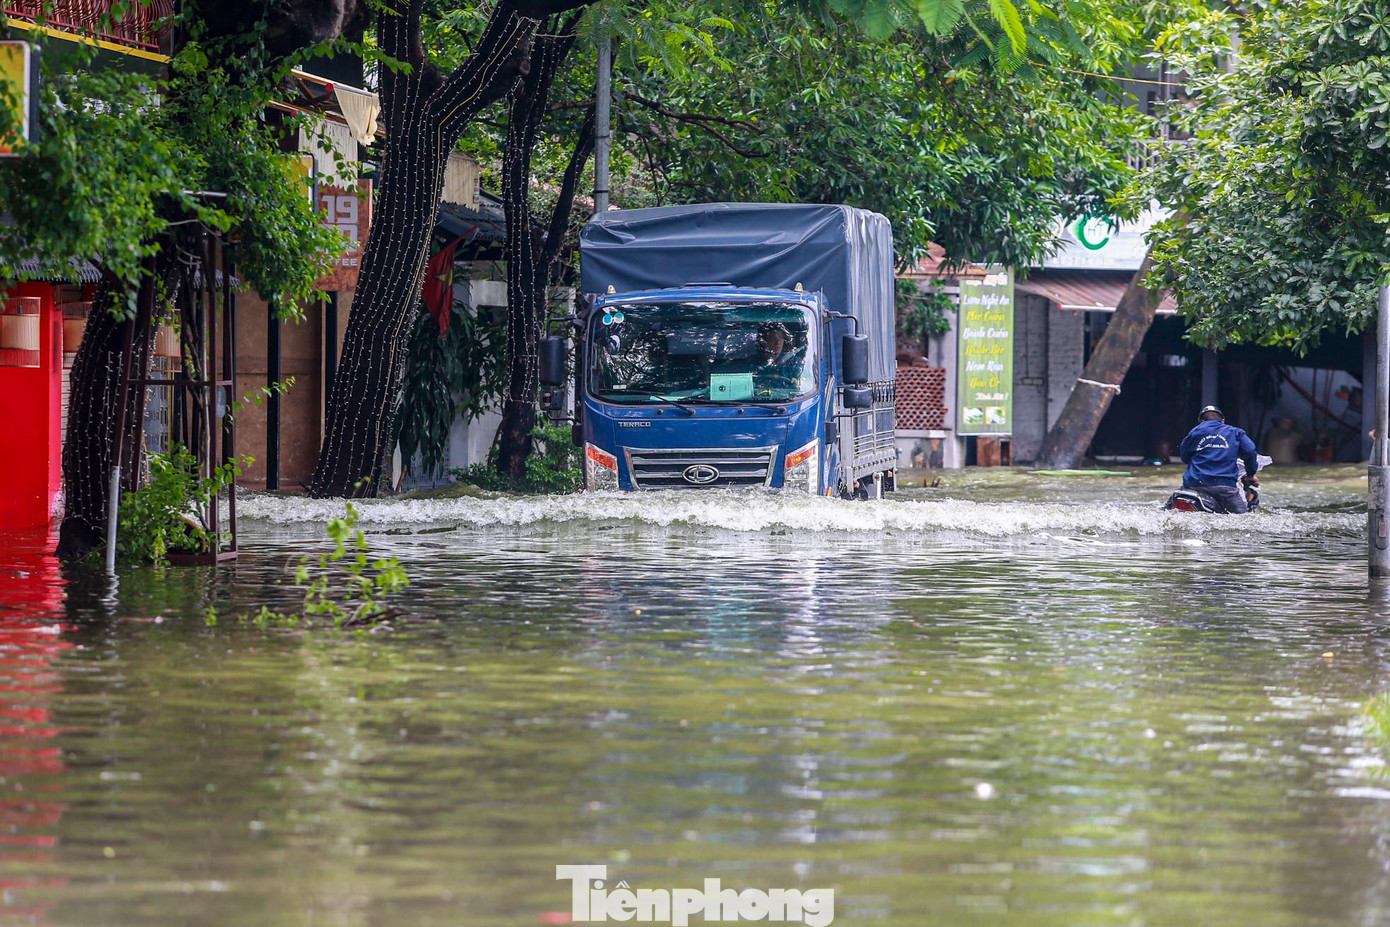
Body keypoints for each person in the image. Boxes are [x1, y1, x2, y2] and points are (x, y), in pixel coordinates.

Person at [1179, 405, 1260, 513]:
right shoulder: (1236, 432)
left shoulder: (1195, 432)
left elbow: (1184, 457)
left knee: (1166, 510)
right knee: (1243, 520)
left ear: (1201, 422)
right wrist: (1250, 474)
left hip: (1193, 484)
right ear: (1222, 421)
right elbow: (1250, 452)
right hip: (1224, 487)